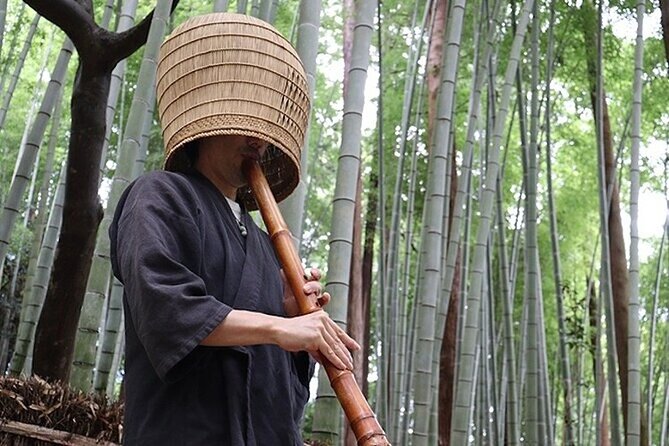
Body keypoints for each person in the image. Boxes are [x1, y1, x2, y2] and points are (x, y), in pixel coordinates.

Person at [109, 13, 359, 446]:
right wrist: (278, 328)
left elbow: (274, 385)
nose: (260, 139)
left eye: (266, 128)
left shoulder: (266, 247)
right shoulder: (159, 195)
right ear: (212, 114)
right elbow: (166, 310)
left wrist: (290, 315)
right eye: (249, 122)